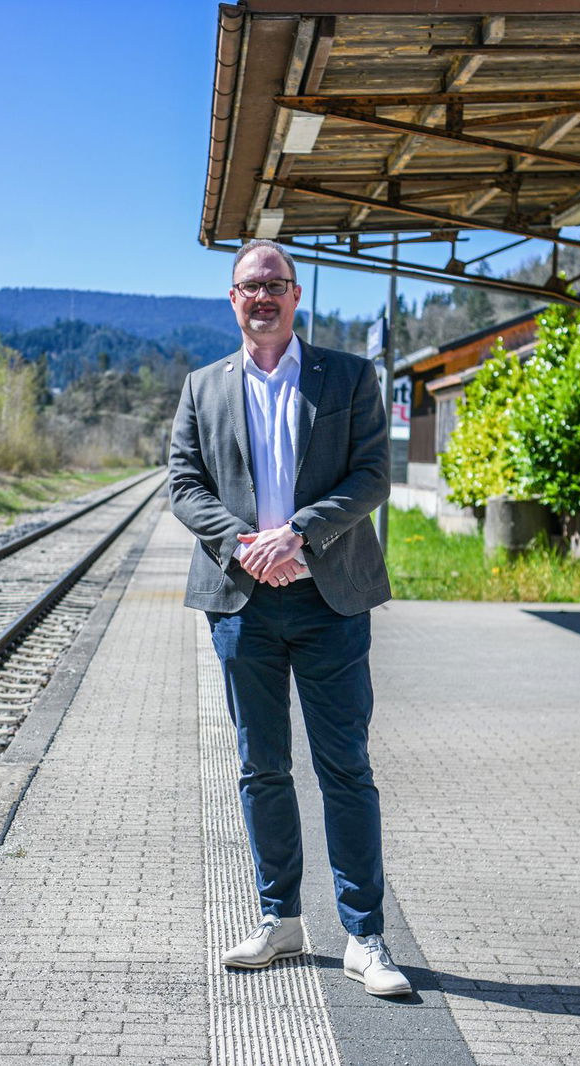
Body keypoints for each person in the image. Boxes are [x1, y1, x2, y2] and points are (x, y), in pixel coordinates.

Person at [168, 238, 410, 997]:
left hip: (329, 600)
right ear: (232, 299)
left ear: (296, 295)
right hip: (243, 604)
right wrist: (244, 545)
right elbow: (183, 484)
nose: (263, 297)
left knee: (346, 767)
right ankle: (281, 921)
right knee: (261, 766)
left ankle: (365, 937)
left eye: (275, 284)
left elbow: (372, 475)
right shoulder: (202, 387)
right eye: (250, 286)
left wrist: (298, 533)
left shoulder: (349, 375)